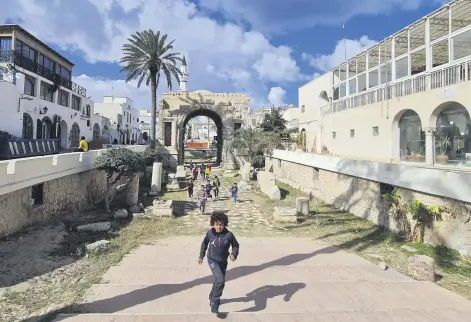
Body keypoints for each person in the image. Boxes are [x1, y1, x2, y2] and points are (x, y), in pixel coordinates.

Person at [198, 211, 239, 314]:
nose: (219, 227)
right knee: (220, 280)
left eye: (221, 224)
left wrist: (234, 254)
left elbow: (235, 245)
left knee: (219, 280)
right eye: (217, 224)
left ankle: (212, 295)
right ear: (213, 224)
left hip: (223, 262)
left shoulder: (229, 235)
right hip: (212, 260)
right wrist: (201, 256)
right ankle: (215, 302)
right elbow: (204, 244)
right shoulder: (209, 233)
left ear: (225, 224)